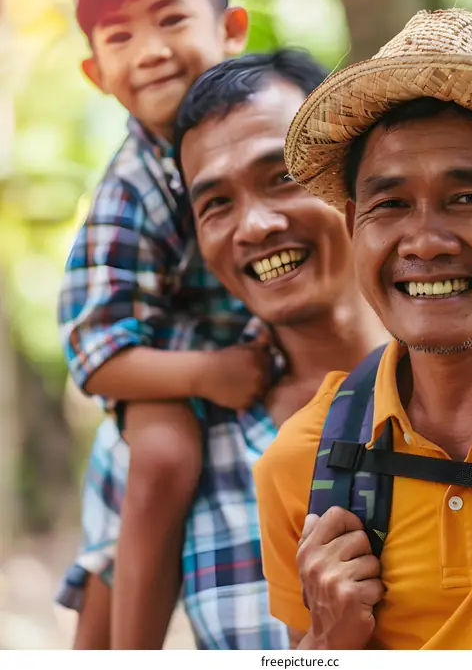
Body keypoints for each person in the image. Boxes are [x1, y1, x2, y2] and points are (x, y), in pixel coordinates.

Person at [254, 8, 472, 650]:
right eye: (390, 204)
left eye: (468, 198)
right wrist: (323, 645)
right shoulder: (302, 462)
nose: (426, 241)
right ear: (355, 224)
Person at [58, 49, 389, 648]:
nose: (255, 226)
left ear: (354, 180)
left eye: (282, 177)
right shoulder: (157, 440)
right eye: (216, 204)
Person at [57, 0, 271, 650]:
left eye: (171, 18)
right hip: (165, 368)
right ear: (95, 73)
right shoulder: (131, 187)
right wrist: (209, 373)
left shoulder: (268, 124)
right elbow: (95, 352)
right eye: (118, 36)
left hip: (252, 354)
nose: (148, 51)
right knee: (161, 456)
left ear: (231, 28)